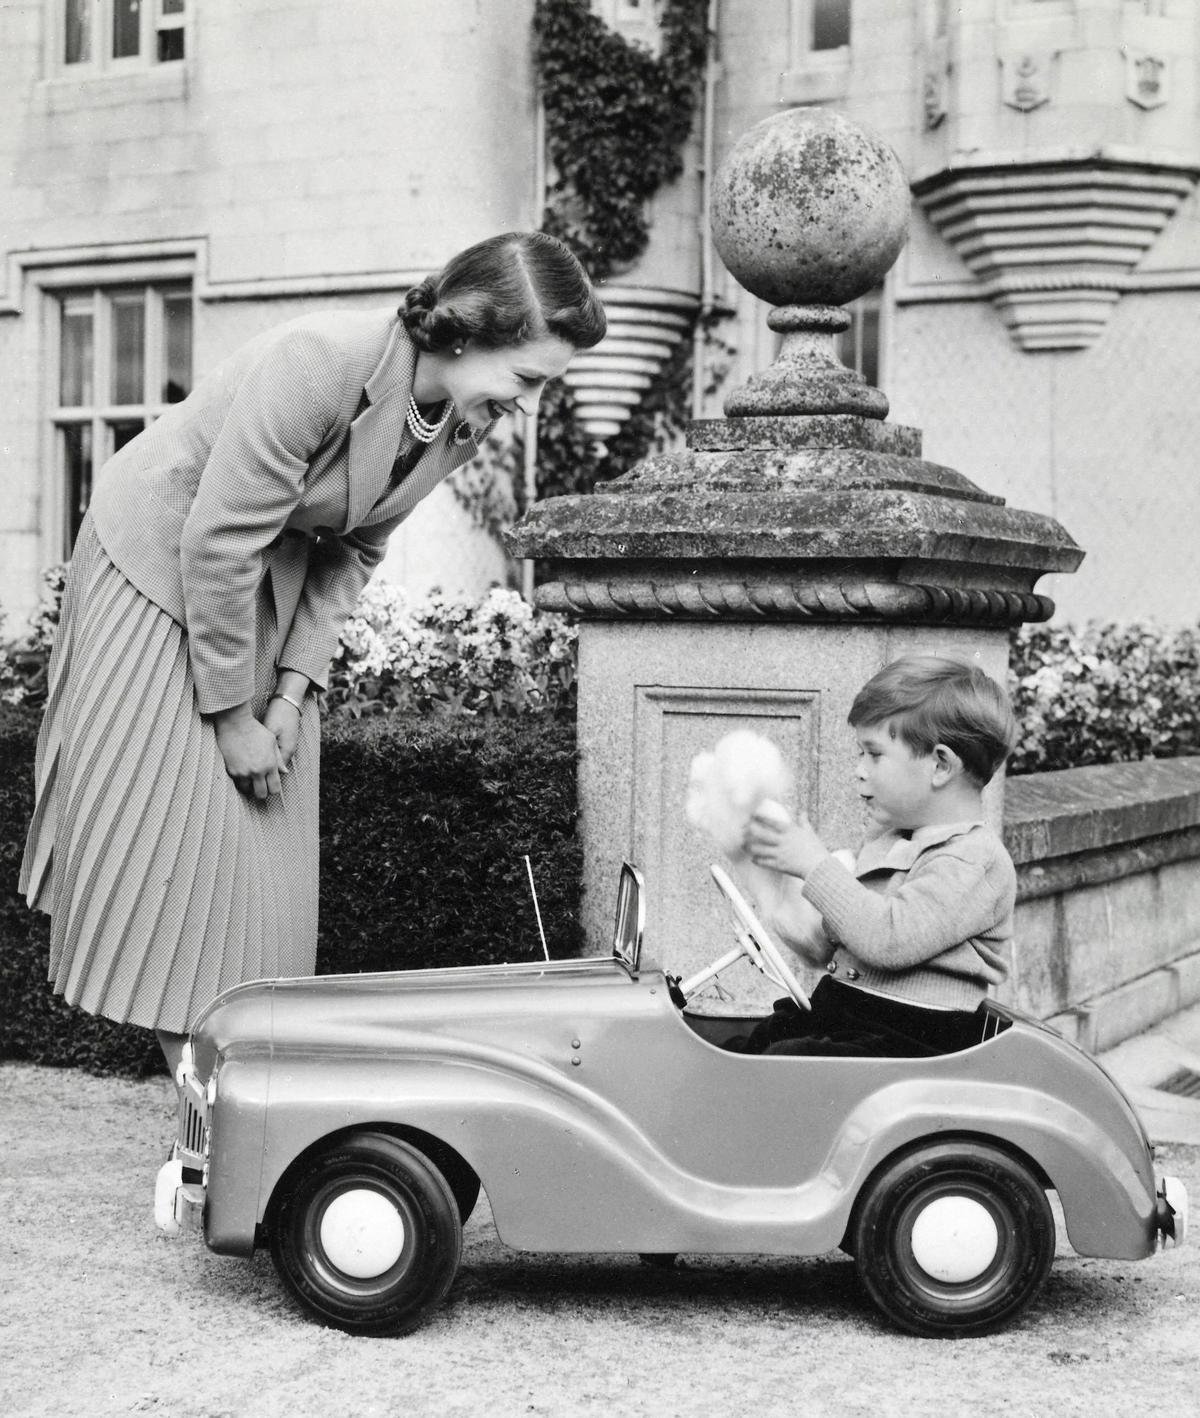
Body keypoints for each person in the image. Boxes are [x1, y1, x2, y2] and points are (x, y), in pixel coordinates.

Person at [19, 230, 606, 1078]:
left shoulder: (457, 420)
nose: (531, 400)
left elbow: (352, 555)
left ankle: (249, 1100)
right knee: (185, 850)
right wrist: (230, 719)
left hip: (266, 576)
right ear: (466, 333)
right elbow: (216, 543)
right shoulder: (319, 362)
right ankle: (214, 1121)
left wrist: (290, 698)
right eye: (528, 377)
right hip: (157, 559)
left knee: (266, 864)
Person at [731, 654, 1018, 1057]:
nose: (859, 770)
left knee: (787, 1061)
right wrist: (777, 881)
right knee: (752, 1044)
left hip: (914, 1039)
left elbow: (889, 939)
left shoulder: (975, 860)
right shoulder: (894, 840)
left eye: (874, 754)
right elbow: (833, 941)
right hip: (853, 1017)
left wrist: (815, 866)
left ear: (940, 766)